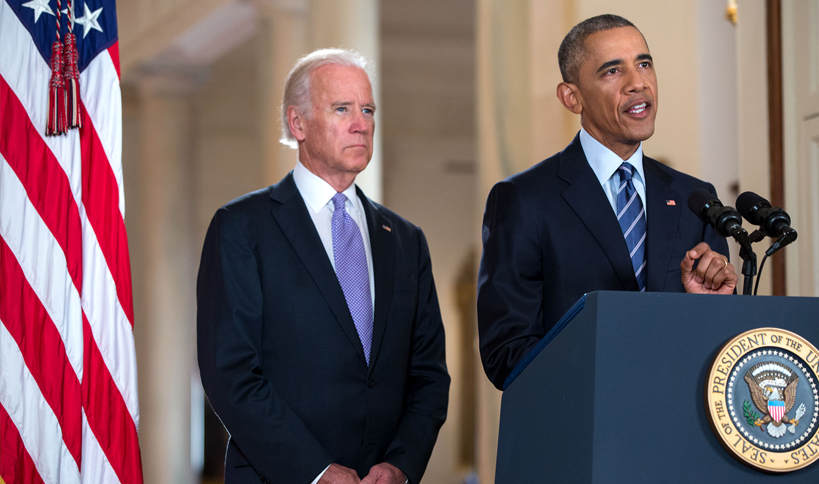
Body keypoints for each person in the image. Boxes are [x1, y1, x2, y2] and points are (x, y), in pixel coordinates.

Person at [197, 49, 450, 484]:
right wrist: (314, 471)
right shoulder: (242, 228)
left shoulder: (407, 240)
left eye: (367, 109)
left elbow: (428, 375)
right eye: (342, 109)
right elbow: (232, 373)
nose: (361, 123)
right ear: (298, 124)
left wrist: (400, 465)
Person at [477, 14, 738, 390]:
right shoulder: (524, 200)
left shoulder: (694, 199)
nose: (638, 83)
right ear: (572, 97)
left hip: (678, 431)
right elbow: (507, 353)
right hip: (581, 434)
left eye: (644, 64)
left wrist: (711, 306)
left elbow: (722, 348)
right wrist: (622, 369)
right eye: (613, 71)